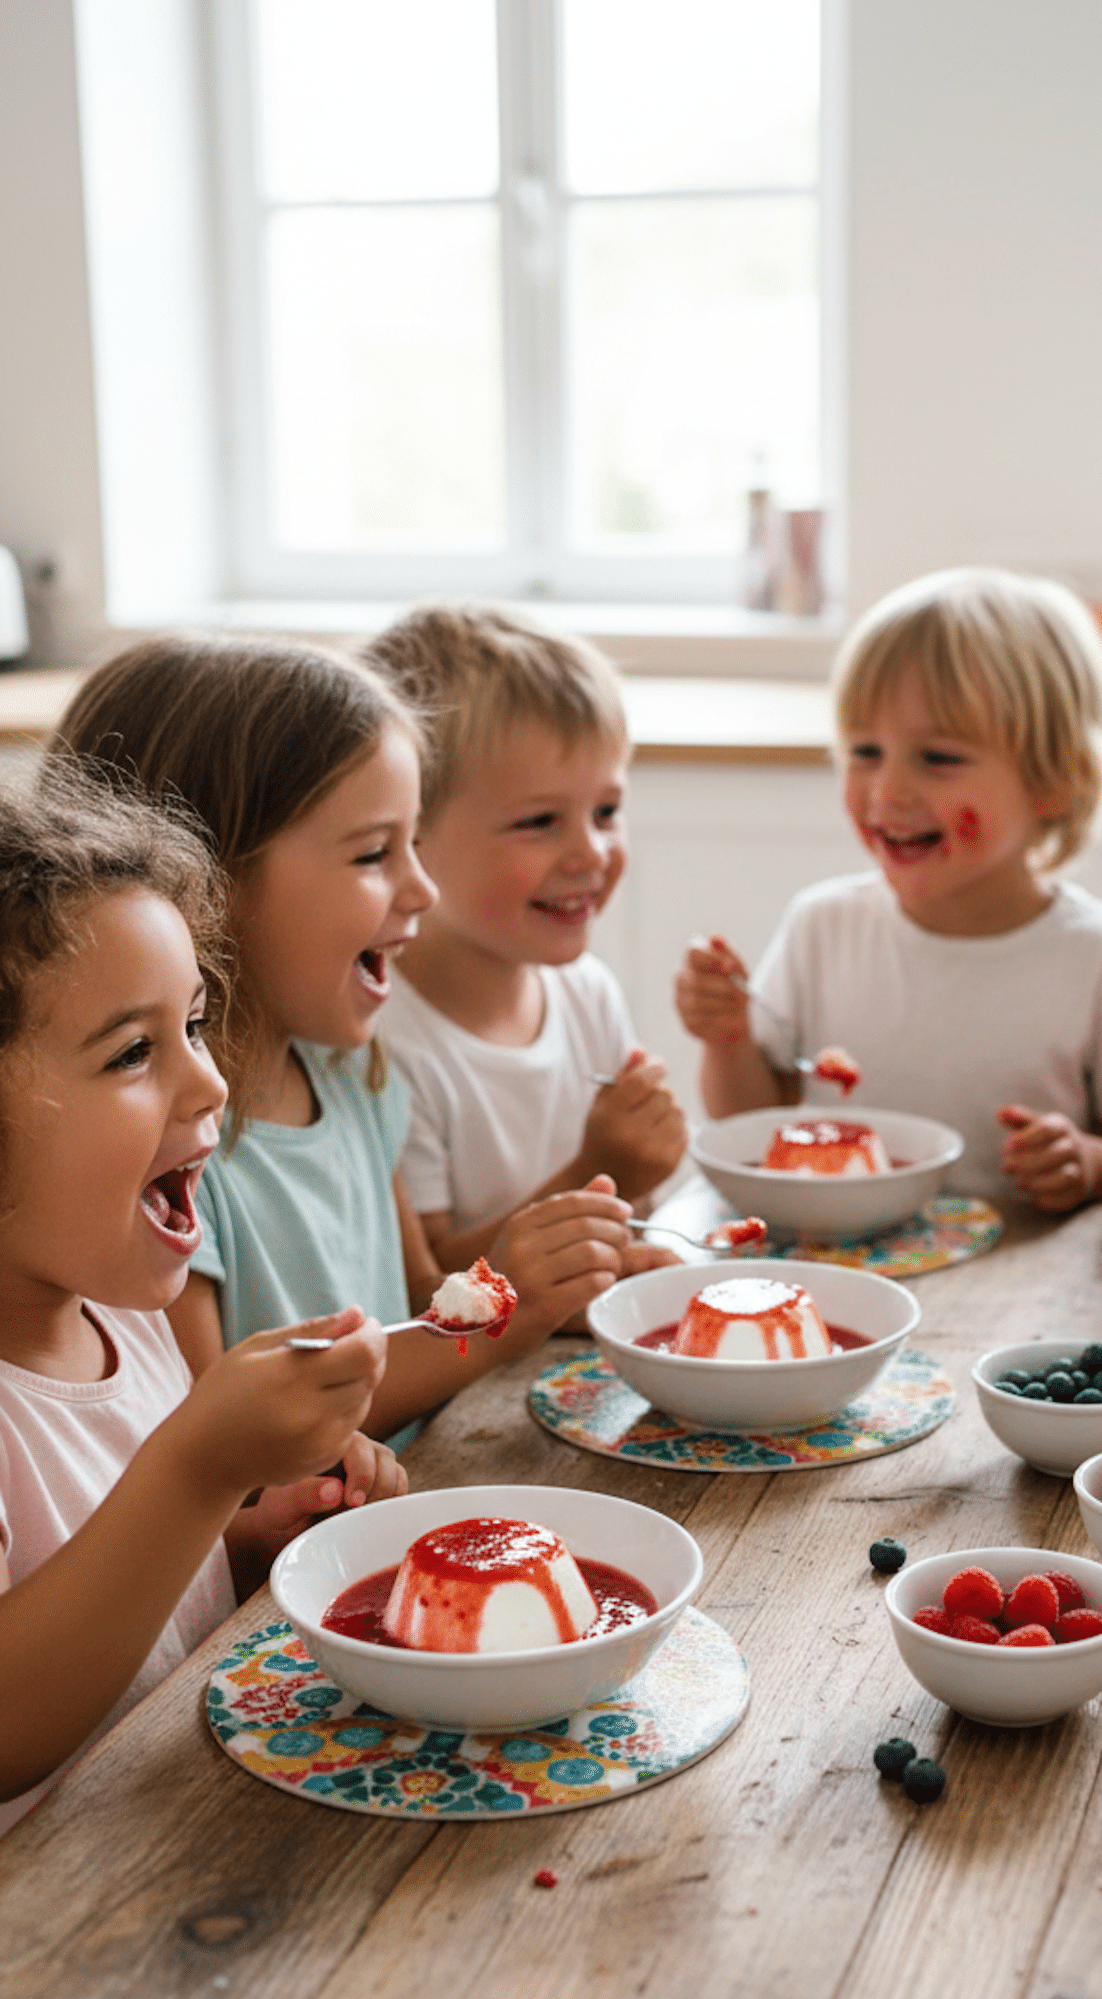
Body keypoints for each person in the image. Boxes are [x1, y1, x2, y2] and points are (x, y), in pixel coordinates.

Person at [55, 635, 639, 1439]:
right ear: (204, 886)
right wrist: (504, 1316)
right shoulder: (170, 1152)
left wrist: (552, 1286)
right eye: (373, 852)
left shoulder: (348, 1072)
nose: (423, 888)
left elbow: (419, 1303)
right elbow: (219, 1446)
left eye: (414, 845)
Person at [0, 762, 404, 1834]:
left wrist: (244, 1536)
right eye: (136, 1050)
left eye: (195, 1020)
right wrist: (198, 1470)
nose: (211, 1079)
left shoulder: (122, 1316)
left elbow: (119, 1604)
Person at [675, 568, 1102, 1209]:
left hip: (1027, 1283)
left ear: (1056, 780)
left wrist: (1092, 1165)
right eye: (865, 752)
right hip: (843, 1265)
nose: (888, 793)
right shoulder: (822, 927)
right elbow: (750, 1128)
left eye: (938, 758)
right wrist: (727, 1041)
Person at [364, 603, 686, 1270]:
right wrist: (602, 1169)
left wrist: (638, 1185)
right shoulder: (384, 1042)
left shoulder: (587, 993)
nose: (592, 852)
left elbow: (634, 1223)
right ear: (407, 835)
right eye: (540, 821)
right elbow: (429, 1292)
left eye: (607, 811)